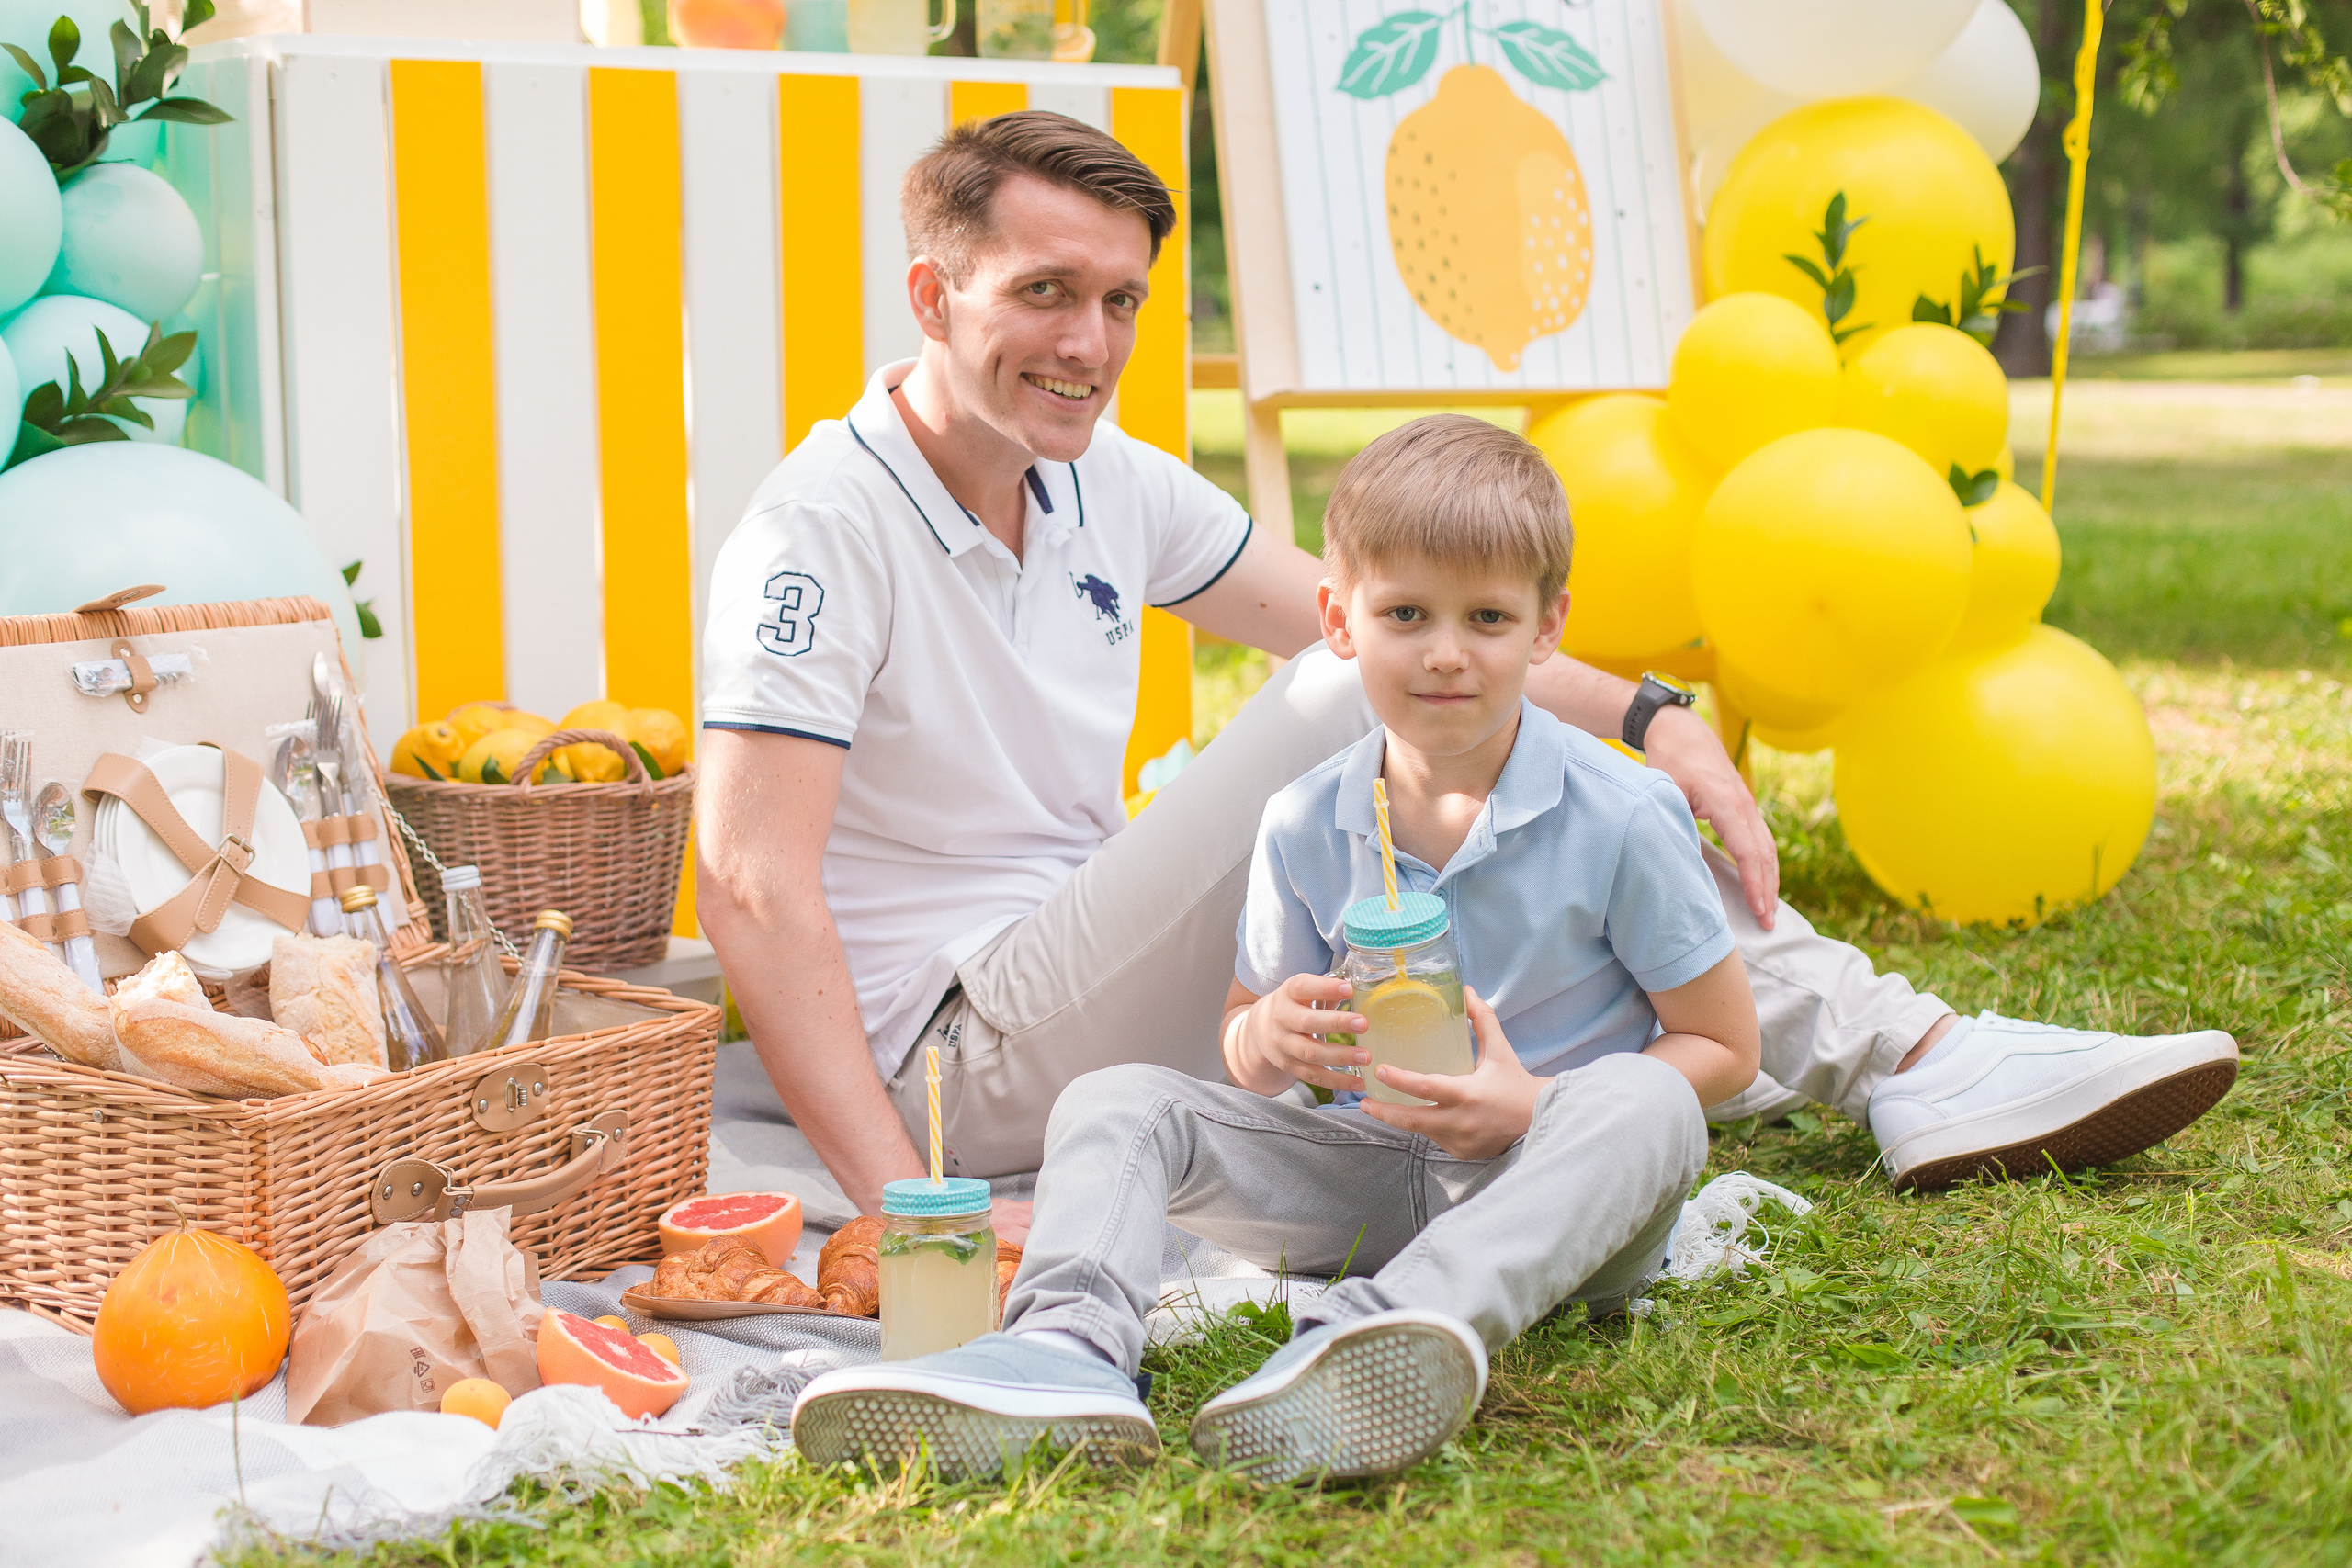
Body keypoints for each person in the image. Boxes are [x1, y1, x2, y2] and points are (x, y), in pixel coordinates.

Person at [695, 109, 2237, 1242]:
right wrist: (903, 1204)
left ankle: (1907, 1051)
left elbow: (1397, 624)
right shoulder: (817, 531)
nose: (1089, 344)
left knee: (1469, 798)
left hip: (1123, 989)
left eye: (1120, 302)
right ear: (933, 296)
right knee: (1340, 704)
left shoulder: (1106, 475)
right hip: (963, 1059)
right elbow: (752, 888)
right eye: (1043, 292)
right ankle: (1909, 1052)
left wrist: (1655, 718)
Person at [789, 416, 1759, 1479]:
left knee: (1650, 1100)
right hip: (1365, 1175)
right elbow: (1240, 1038)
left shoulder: (1620, 811)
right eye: (1405, 614)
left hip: (1554, 1195)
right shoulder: (1304, 819)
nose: (1444, 652)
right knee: (1115, 1100)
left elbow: (1723, 1047)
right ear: (1338, 621)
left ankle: (1388, 1335)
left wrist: (1531, 1107)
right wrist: (1269, 1040)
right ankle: (1063, 1352)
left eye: (1486, 617)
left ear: (1545, 628)